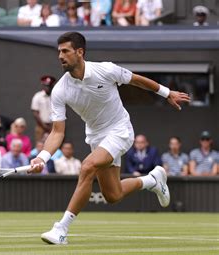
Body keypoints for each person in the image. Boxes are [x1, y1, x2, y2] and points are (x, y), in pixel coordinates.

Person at [30, 32, 190, 245]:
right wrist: (42, 157)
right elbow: (57, 131)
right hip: (96, 136)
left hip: (120, 130)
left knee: (87, 166)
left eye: (65, 51)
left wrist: (166, 92)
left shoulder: (106, 70)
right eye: (59, 51)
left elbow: (137, 80)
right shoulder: (60, 90)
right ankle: (152, 180)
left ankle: (61, 229)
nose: (60, 56)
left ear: (80, 52)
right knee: (113, 195)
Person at [31, 75, 56, 142]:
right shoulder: (38, 96)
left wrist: (53, 125)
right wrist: (44, 125)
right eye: (46, 86)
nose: (48, 88)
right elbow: (35, 112)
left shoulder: (55, 96)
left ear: (52, 86)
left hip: (54, 126)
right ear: (43, 86)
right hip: (41, 125)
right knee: (39, 144)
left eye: (49, 86)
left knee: (53, 144)